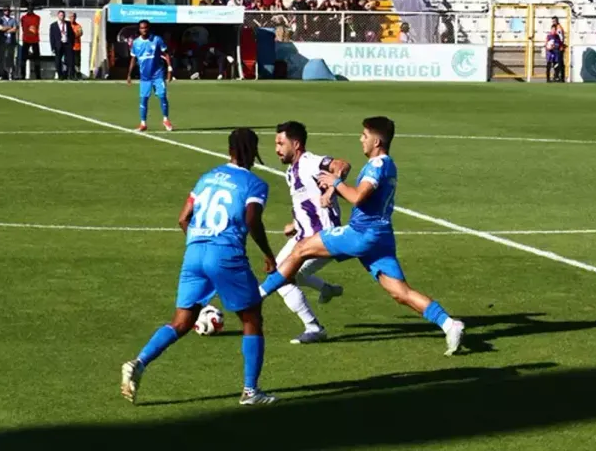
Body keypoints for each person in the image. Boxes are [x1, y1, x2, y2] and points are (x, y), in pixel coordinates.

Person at [257, 117, 466, 356]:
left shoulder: (377, 165)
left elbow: (358, 197)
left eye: (364, 136)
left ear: (376, 141)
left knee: (301, 249)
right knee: (400, 293)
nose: (361, 140)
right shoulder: (388, 165)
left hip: (361, 233)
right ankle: (450, 324)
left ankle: (258, 296)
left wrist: (335, 183)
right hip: (380, 237)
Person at [121, 128, 277, 406]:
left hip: (194, 252)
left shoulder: (207, 178)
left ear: (229, 150)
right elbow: (253, 219)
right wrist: (267, 253)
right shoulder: (254, 184)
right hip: (226, 253)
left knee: (181, 321)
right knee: (252, 319)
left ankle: (139, 362)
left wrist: (199, 243)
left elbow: (183, 218)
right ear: (253, 151)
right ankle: (251, 391)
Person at [263, 121, 347, 344]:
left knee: (282, 278)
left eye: (281, 143)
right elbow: (308, 203)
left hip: (323, 238)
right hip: (304, 236)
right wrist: (295, 223)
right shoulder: (291, 172)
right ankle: (326, 289)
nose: (277, 149)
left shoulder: (310, 162)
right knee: (288, 275)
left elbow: (342, 165)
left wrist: (331, 189)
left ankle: (314, 327)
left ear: (296, 144)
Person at [127, 19, 174, 132]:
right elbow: (133, 58)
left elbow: (166, 53)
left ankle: (165, 119)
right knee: (144, 99)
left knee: (162, 96)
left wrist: (169, 69)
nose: (144, 30)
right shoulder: (136, 43)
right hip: (145, 77)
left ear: (149, 28)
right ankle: (143, 123)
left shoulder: (157, 40)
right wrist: (129, 74)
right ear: (139, 30)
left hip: (158, 74)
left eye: (146, 27)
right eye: (142, 28)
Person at [49, 10, 75, 80]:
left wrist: (71, 43)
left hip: (67, 44)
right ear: (58, 16)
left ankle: (71, 75)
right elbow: (52, 37)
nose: (62, 17)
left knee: (71, 60)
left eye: (63, 15)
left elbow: (72, 34)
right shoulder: (53, 25)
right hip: (58, 45)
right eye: (60, 15)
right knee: (58, 61)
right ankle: (60, 75)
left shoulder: (68, 23)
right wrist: (53, 47)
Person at [0, 7, 18, 80]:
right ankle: (2, 74)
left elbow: (15, 29)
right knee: (2, 59)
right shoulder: (0, 19)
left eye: (8, 10)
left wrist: (7, 29)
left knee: (10, 58)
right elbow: (1, 28)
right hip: (2, 42)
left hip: (11, 42)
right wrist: (9, 27)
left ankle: (11, 74)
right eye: (5, 10)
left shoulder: (13, 20)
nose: (7, 12)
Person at [20, 7, 42, 79]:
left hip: (35, 39)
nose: (30, 10)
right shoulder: (23, 18)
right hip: (26, 39)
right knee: (23, 58)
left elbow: (35, 26)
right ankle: (22, 75)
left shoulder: (37, 17)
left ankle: (38, 75)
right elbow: (24, 28)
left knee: (37, 58)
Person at [70, 12, 83, 79]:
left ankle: (78, 74)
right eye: (71, 16)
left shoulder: (78, 26)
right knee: (69, 61)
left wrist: (73, 34)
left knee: (77, 62)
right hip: (69, 47)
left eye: (74, 16)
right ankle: (70, 74)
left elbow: (80, 33)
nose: (73, 18)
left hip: (77, 47)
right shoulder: (67, 25)